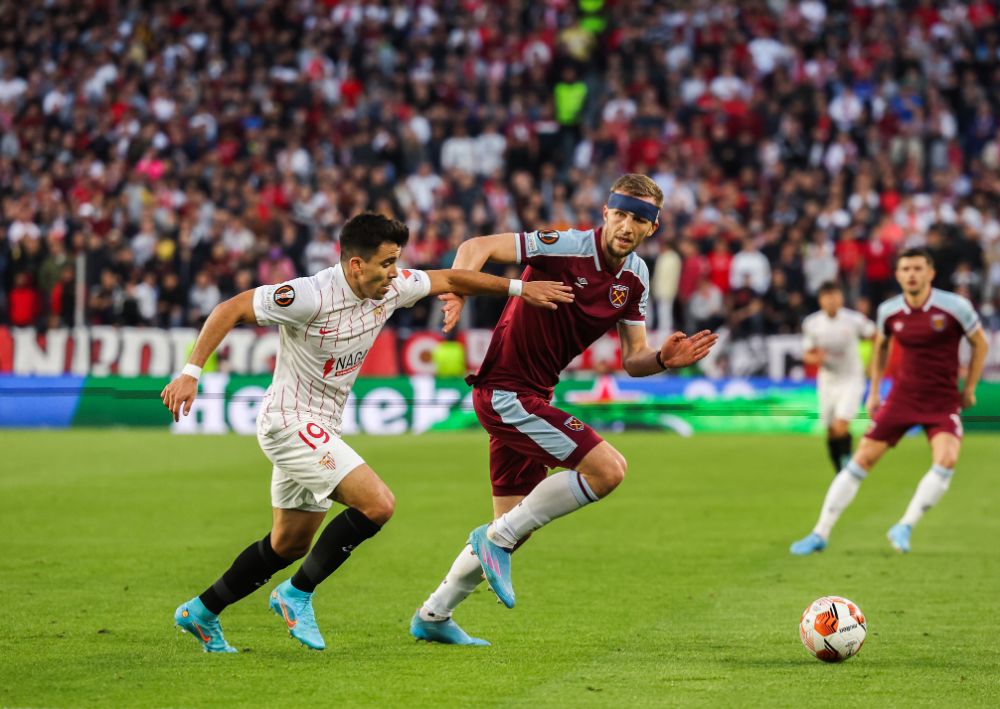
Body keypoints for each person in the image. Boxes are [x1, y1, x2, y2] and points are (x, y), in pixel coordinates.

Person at [161, 213, 573, 653]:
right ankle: (295, 595)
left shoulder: (392, 287)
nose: (394, 273)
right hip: (289, 422)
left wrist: (519, 288)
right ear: (355, 265)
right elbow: (232, 308)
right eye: (386, 263)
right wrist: (191, 372)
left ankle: (202, 611)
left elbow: (450, 276)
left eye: (397, 262)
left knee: (289, 543)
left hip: (323, 425)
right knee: (378, 503)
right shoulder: (309, 295)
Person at [409, 174, 718, 646]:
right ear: (606, 213)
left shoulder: (636, 277)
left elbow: (633, 358)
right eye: (620, 214)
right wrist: (463, 289)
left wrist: (662, 359)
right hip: (505, 393)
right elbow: (477, 245)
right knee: (608, 470)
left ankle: (434, 614)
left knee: (513, 523)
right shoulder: (564, 246)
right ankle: (494, 543)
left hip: (535, 395)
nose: (627, 226)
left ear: (652, 228)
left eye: (639, 219)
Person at [790, 248, 989, 556]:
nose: (911, 274)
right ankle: (820, 532)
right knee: (861, 460)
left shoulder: (955, 307)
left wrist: (971, 387)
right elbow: (881, 346)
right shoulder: (889, 311)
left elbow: (981, 343)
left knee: (947, 459)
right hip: (901, 398)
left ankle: (905, 525)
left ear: (930, 273)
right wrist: (873, 392)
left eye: (917, 268)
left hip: (942, 400)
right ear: (897, 275)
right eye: (906, 269)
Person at [801, 281, 876, 473]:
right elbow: (807, 353)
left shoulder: (854, 320)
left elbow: (876, 336)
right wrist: (815, 357)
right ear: (820, 300)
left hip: (851, 378)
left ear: (841, 298)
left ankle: (848, 465)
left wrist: (873, 363)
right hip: (827, 380)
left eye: (834, 296)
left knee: (841, 425)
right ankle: (839, 471)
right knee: (831, 431)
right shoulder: (812, 323)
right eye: (827, 297)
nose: (831, 301)